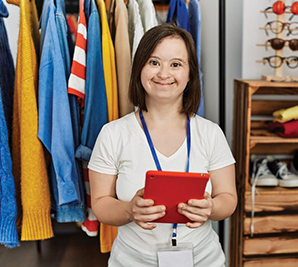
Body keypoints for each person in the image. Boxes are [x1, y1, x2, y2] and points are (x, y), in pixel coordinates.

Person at [88, 23, 237, 266]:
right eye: (154, 62)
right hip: (132, 261)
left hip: (204, 260)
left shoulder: (211, 133)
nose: (164, 74)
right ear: (139, 69)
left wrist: (211, 207)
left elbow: (228, 198)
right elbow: (101, 204)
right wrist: (129, 210)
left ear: (190, 74)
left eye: (176, 64)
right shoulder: (112, 134)